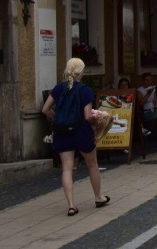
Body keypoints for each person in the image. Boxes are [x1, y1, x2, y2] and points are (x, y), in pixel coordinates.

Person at [41, 57, 110, 216]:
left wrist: (57, 117)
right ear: (81, 72)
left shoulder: (58, 88)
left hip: (62, 133)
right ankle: (98, 197)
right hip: (82, 132)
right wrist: (99, 120)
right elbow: (87, 116)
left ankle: (71, 205)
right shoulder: (85, 90)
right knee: (92, 164)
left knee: (67, 168)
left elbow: (45, 109)